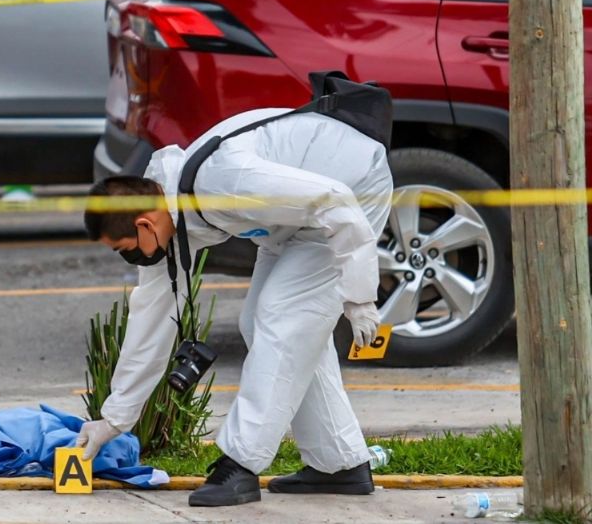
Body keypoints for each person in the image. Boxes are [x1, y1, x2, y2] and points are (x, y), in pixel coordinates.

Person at [77, 107, 393, 507]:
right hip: (297, 223)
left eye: (125, 251)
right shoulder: (171, 213)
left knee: (282, 317)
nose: (131, 261)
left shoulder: (223, 182)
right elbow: (150, 319)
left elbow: (335, 201)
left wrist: (361, 296)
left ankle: (240, 465)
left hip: (353, 188)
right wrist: (113, 420)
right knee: (262, 323)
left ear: (143, 225)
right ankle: (339, 464)